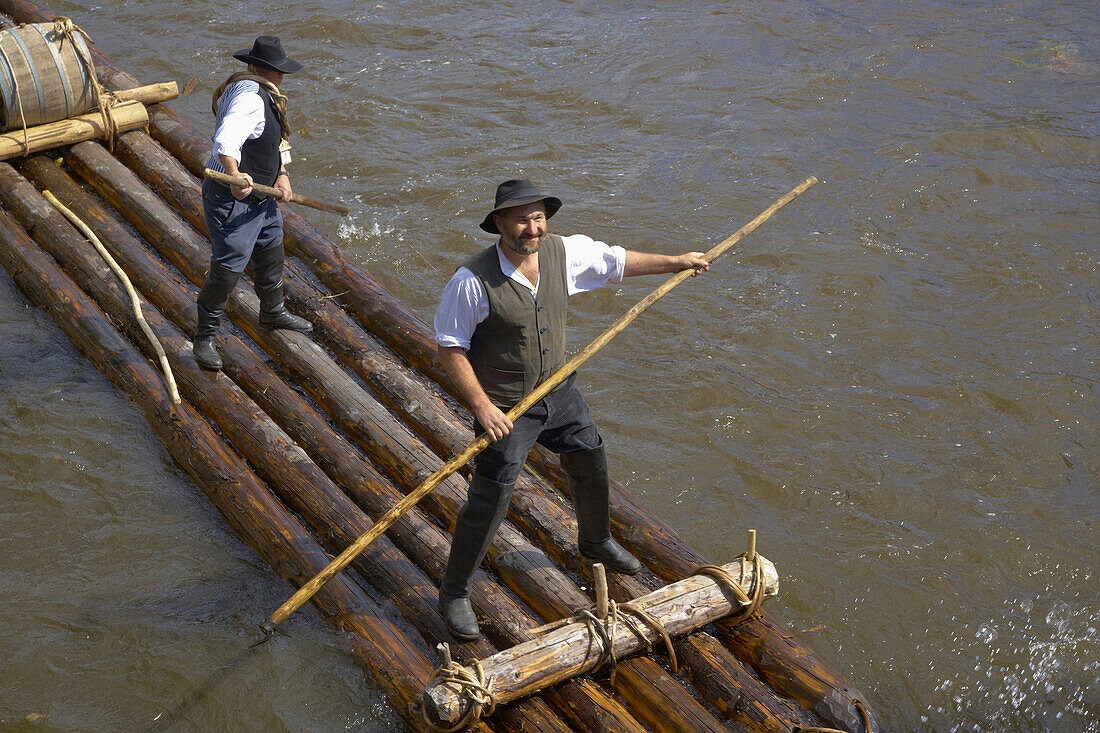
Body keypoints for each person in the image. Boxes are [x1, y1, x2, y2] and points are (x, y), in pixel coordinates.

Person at [433, 179, 709, 640]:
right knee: (491, 497)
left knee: (590, 455)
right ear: (498, 223)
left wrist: (676, 262)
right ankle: (454, 590)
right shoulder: (471, 281)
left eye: (539, 217)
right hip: (507, 407)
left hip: (558, 390)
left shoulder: (564, 253)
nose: (532, 227)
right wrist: (482, 407)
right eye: (521, 218)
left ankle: (596, 542)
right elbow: (449, 348)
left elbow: (617, 262)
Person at [193, 35, 312, 372]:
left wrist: (282, 174)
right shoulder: (249, 98)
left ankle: (272, 312)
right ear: (272, 71)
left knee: (271, 246)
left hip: (263, 194)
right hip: (235, 197)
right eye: (282, 72)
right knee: (229, 265)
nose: (283, 77)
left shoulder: (263, 92)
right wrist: (234, 176)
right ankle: (204, 336)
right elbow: (226, 140)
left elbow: (277, 138)